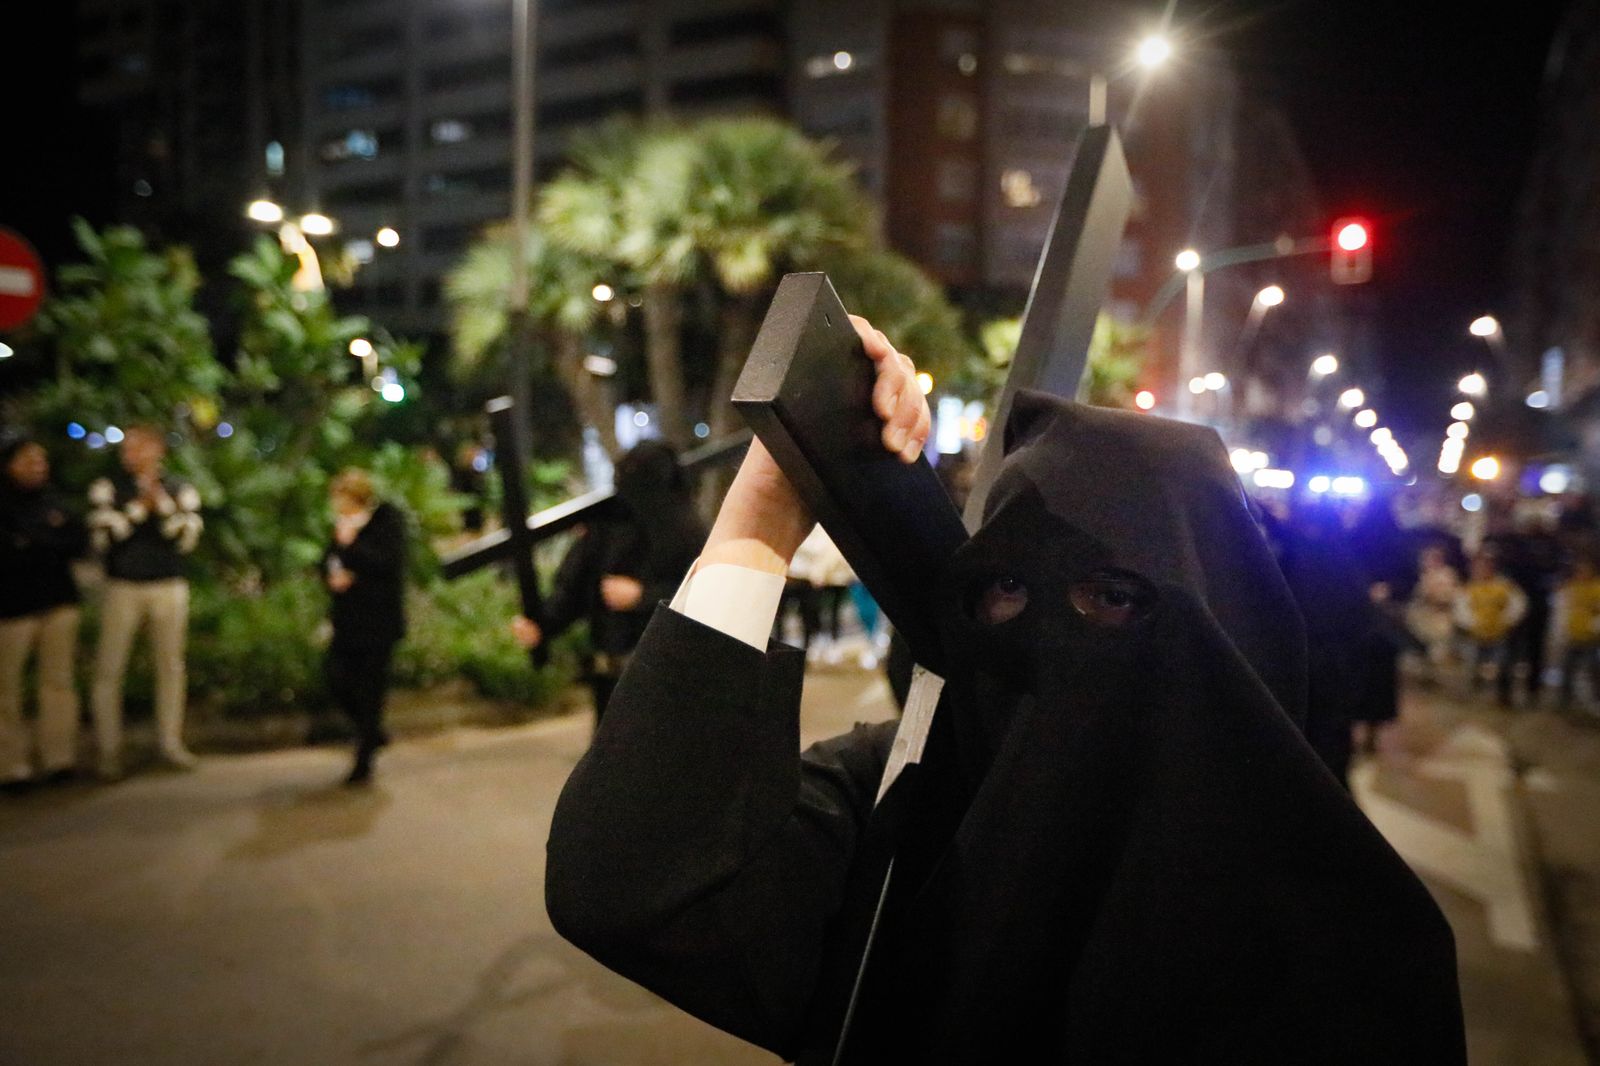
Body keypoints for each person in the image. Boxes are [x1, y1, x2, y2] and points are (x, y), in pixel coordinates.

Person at [545, 318, 1464, 1063]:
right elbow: (628, 889)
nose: (1046, 627)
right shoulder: (905, 794)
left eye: (1111, 597)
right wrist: (762, 515)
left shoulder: (1349, 937)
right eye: (1009, 588)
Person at [512, 441, 704, 727]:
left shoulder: (687, 532)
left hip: (668, 677)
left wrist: (644, 596)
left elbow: (703, 593)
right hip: (611, 674)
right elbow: (575, 585)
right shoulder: (606, 527)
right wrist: (542, 625)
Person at [88, 424, 203, 779]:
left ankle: (170, 743)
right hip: (123, 586)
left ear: (157, 450)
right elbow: (103, 537)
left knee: (170, 667)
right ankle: (109, 751)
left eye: (138, 447)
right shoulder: (108, 487)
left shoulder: (179, 488)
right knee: (109, 669)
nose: (131, 455)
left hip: (167, 586)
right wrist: (137, 510)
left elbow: (185, 539)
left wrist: (162, 506)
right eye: (127, 448)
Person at [0, 438, 89, 791]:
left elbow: (77, 542)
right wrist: (45, 539)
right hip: (12, 608)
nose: (38, 466)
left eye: (41, 459)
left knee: (58, 683)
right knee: (7, 689)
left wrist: (33, 541)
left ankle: (59, 759)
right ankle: (12, 766)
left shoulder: (56, 501)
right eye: (28, 459)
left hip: (59, 602)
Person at [323, 469, 407, 785]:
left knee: (371, 689)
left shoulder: (385, 522)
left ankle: (364, 758)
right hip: (347, 622)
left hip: (377, 623)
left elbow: (387, 564)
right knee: (337, 678)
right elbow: (328, 560)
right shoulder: (341, 526)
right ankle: (371, 731)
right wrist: (332, 576)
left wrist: (353, 547)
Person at [1455, 551, 1527, 696]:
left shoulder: (1505, 586)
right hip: (1476, 633)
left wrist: (1506, 622)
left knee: (1502, 665)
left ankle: (1503, 695)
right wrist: (1472, 623)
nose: (1481, 570)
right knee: (1472, 664)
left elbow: (1518, 605)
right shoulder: (1470, 588)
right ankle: (1472, 692)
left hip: (1500, 633)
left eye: (1485, 566)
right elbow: (1461, 609)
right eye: (1478, 567)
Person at [1407, 543, 1462, 681]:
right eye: (1425, 559)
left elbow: (1452, 595)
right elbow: (1419, 597)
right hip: (1424, 617)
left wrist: (1438, 598)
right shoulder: (1424, 576)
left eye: (1431, 559)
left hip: (1442, 617)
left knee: (1439, 651)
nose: (1427, 562)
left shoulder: (1447, 574)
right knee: (1422, 648)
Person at [1555, 553, 1600, 711]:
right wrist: (1562, 630)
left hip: (1592, 638)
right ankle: (1564, 700)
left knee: (1594, 671)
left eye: (1585, 570)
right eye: (1579, 570)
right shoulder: (1570, 588)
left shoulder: (1597, 589)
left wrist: (1594, 626)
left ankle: (1596, 700)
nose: (1582, 573)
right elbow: (1563, 609)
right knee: (1567, 669)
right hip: (1572, 636)